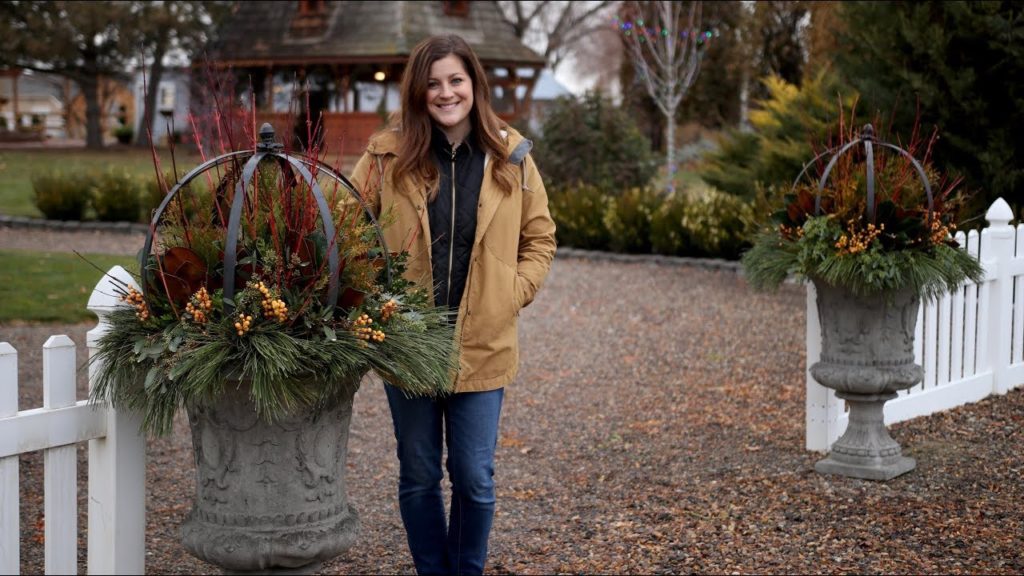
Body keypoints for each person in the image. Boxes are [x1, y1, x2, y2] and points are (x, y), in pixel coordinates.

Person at [348, 34, 557, 575]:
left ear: (474, 85)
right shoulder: (385, 154)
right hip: (410, 341)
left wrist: (512, 291)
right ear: (418, 92)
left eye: (456, 81)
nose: (446, 93)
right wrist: (377, 301)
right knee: (418, 474)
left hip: (484, 340)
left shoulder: (512, 155)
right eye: (433, 83)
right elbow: (345, 231)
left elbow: (540, 238)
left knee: (474, 478)